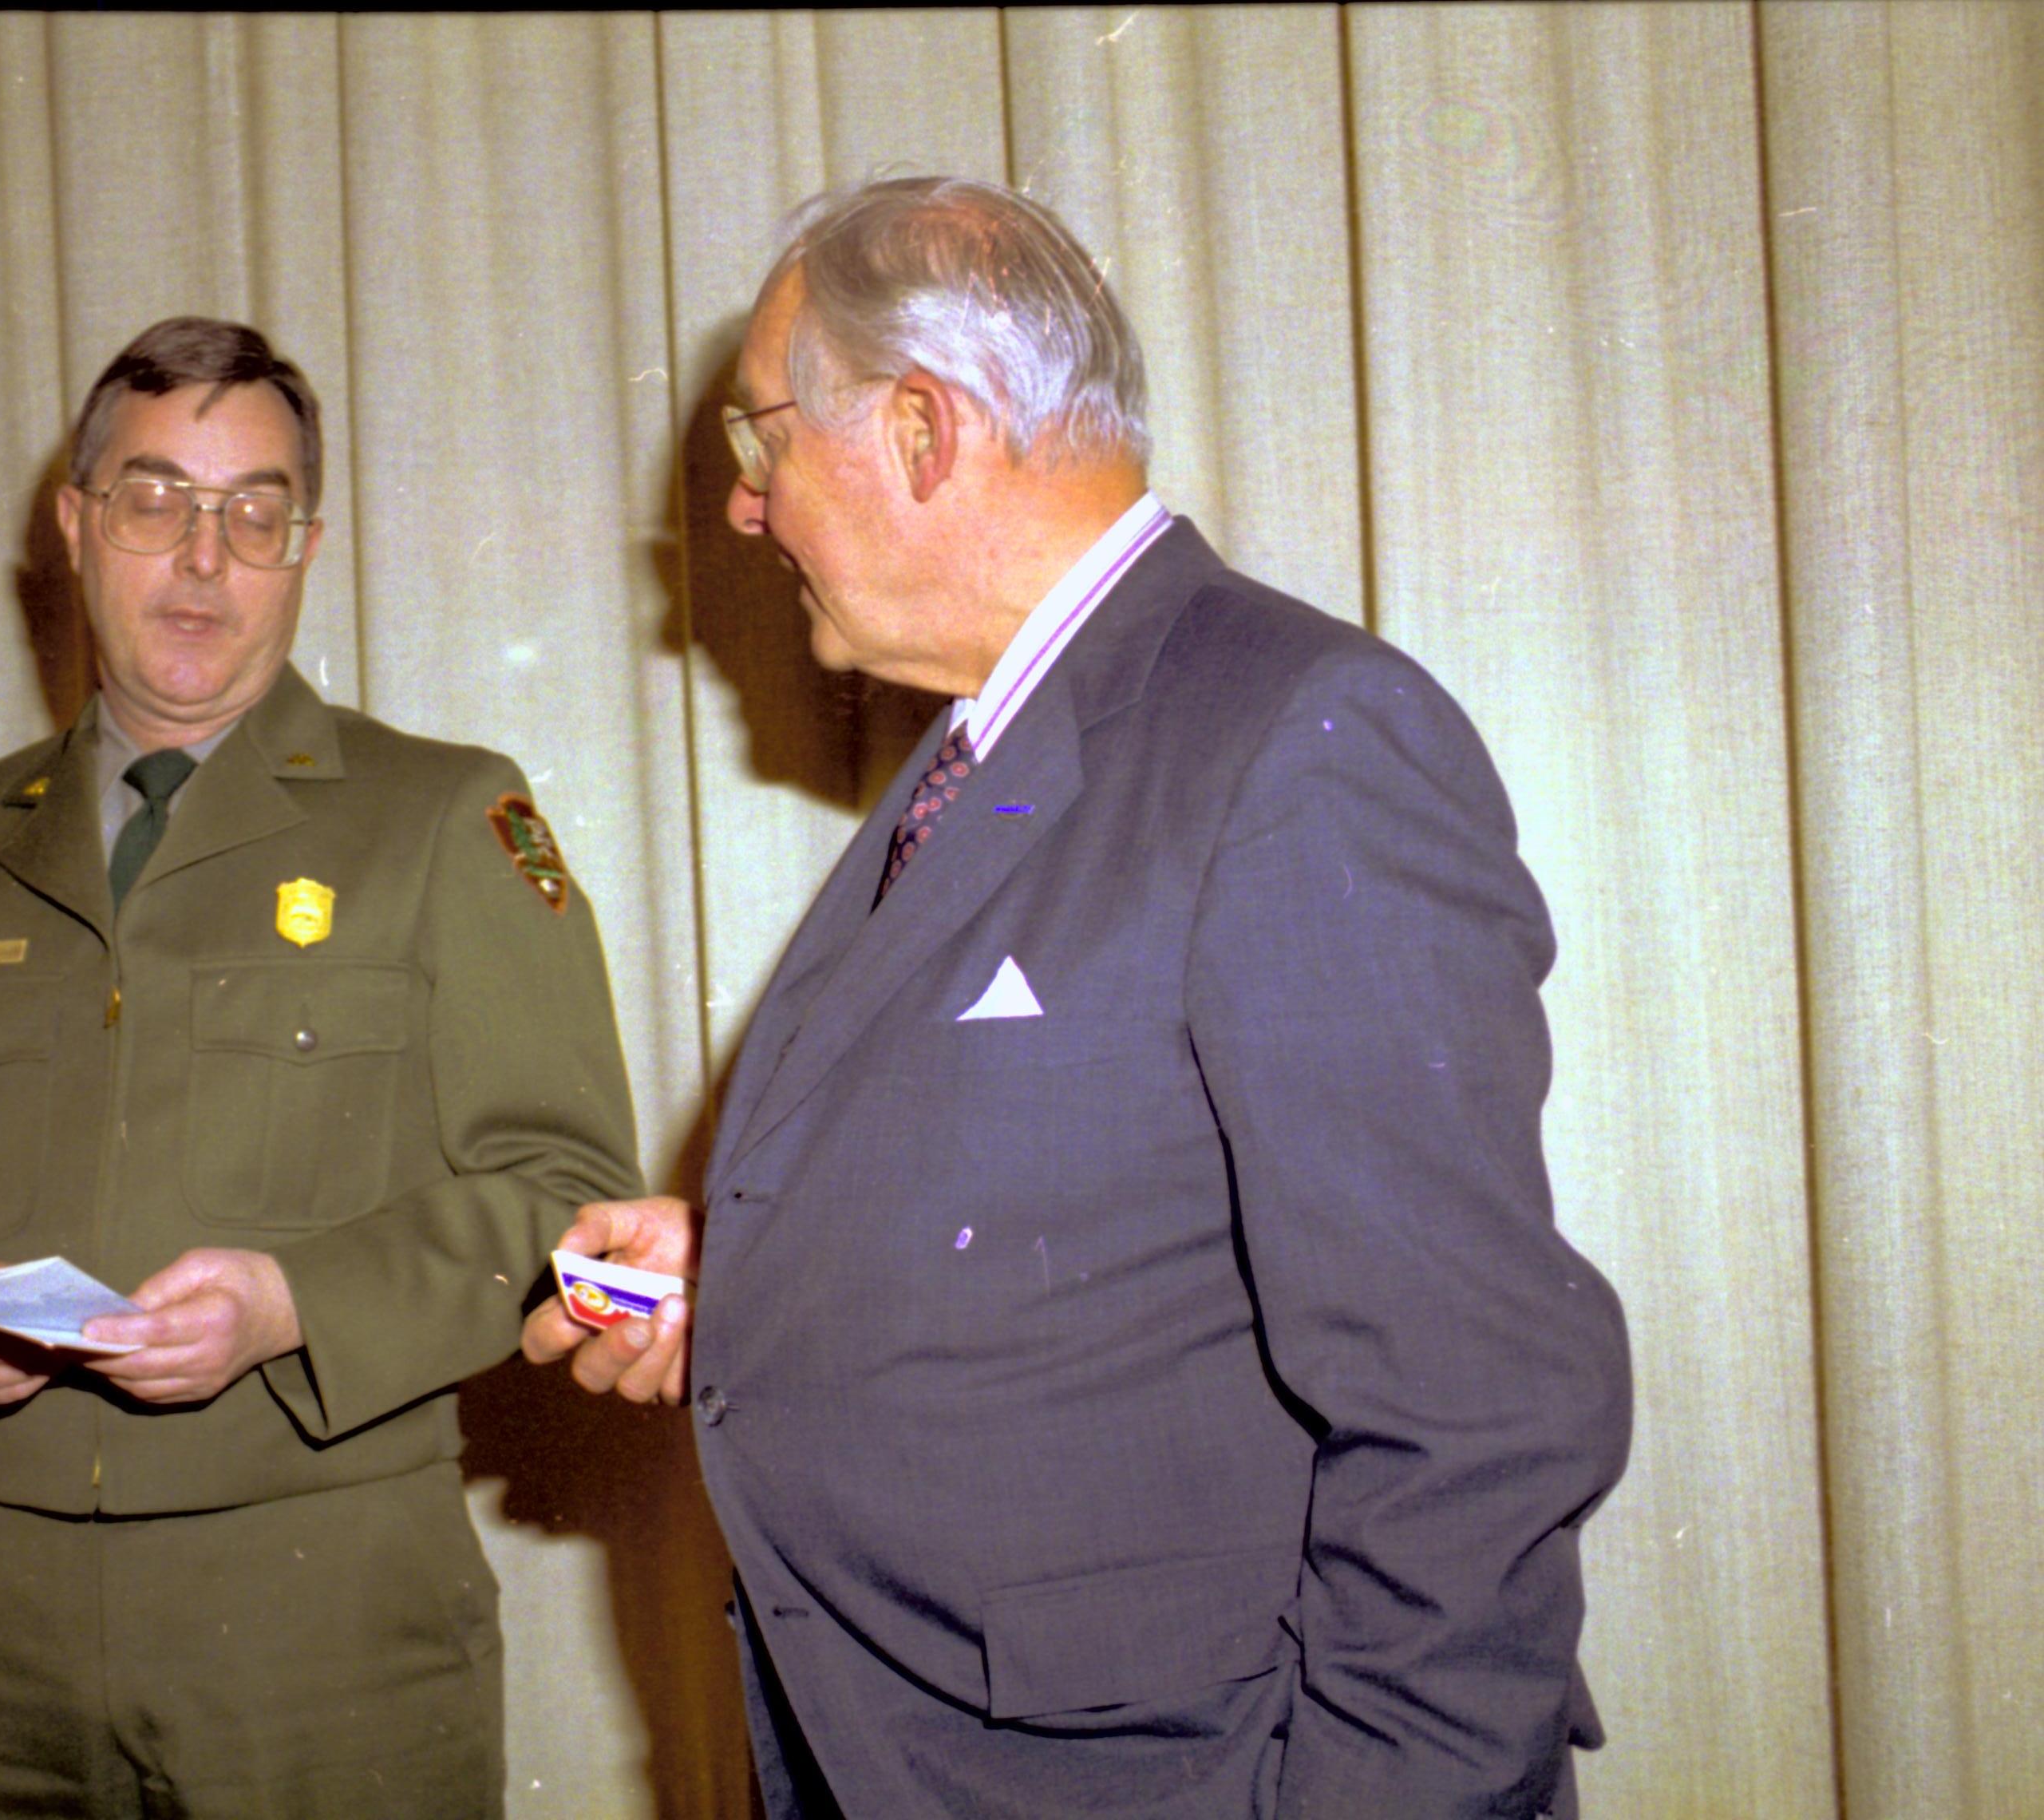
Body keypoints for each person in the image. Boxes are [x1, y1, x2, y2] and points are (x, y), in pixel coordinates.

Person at [524, 178, 1631, 1818]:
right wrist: (744, 1260)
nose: (745, 514)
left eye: (762, 449)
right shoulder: (991, 753)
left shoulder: (1293, 737)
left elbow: (1470, 1417)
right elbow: (1087, 1187)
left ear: (918, 433)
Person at [0, 315, 641, 1818]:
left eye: (254, 512)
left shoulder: (443, 817)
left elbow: (566, 1193)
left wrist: (288, 1307)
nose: (204, 560)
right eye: (153, 501)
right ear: (73, 526)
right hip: (12, 1632)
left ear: (306, 544)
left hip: (325, 1631)